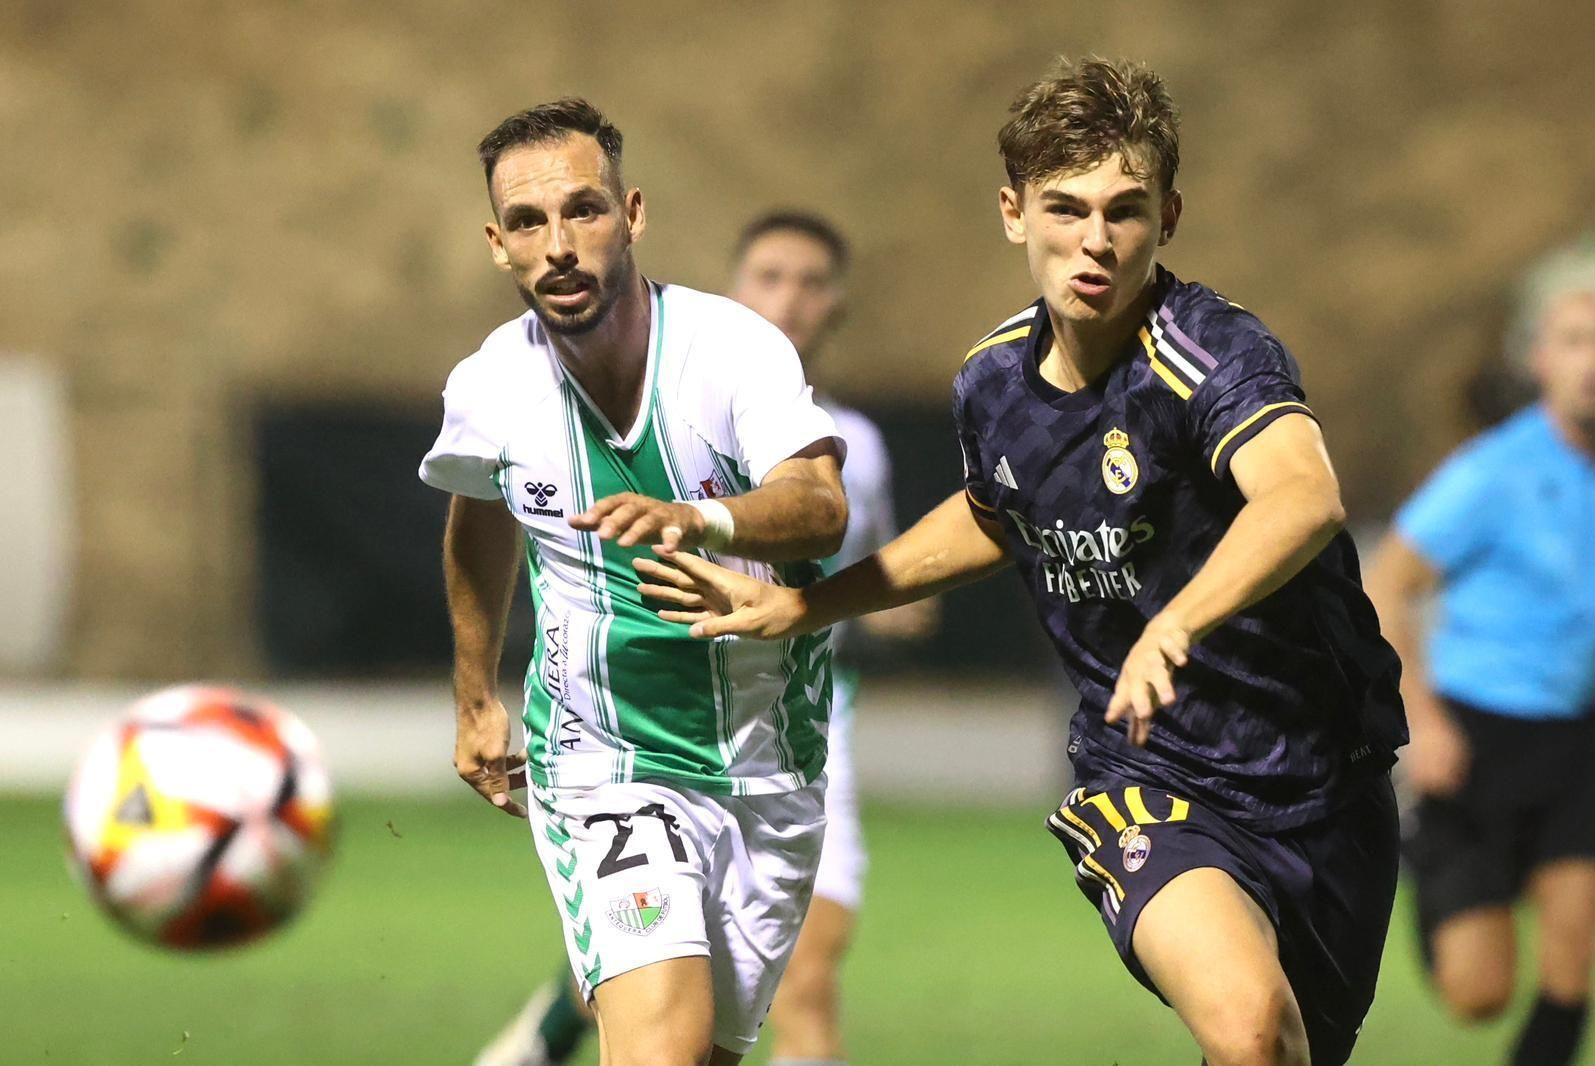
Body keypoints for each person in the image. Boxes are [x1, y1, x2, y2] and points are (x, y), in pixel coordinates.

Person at [631, 58, 1409, 1066]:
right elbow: (996, 512)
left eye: (1124, 211)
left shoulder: (1211, 354)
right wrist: (807, 606)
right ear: (1013, 212)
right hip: (1147, 774)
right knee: (1250, 1028)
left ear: (1167, 216)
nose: (1094, 241)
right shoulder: (992, 381)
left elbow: (1302, 494)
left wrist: (1176, 620)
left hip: (1324, 778)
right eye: (1066, 207)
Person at [418, 98, 849, 1066]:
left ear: (634, 214)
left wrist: (706, 516)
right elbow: (477, 515)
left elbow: (820, 505)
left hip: (769, 764)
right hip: (606, 763)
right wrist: (474, 694)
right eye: (529, 223)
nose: (558, 244)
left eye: (585, 210)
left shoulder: (731, 348)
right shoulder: (492, 386)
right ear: (498, 243)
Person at [477, 211, 935, 1066]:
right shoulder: (678, 398)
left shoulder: (856, 450)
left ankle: (554, 1021)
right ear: (734, 288)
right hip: (637, 744)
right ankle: (560, 1017)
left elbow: (849, 563)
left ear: (837, 304)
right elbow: (491, 508)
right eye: (769, 276)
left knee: (747, 992)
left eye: (810, 281)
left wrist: (879, 602)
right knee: (685, 984)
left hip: (792, 747)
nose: (789, 299)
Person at [1366, 256, 1595, 1066]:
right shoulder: (1491, 475)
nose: (1594, 362)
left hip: (1579, 741)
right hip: (1473, 741)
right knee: (1480, 993)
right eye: (1576, 342)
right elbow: (1388, 586)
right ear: (1540, 360)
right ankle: (1434, 881)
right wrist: (1423, 723)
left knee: (1571, 968)